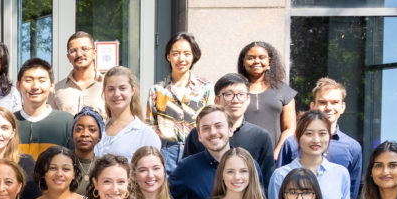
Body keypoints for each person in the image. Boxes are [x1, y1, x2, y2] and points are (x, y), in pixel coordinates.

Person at [267, 110, 350, 199]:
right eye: (309, 133)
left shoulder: (340, 173)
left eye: (322, 133)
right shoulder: (281, 175)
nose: (316, 140)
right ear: (298, 136)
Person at [277, 78, 364, 199]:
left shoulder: (353, 148)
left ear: (343, 107)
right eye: (323, 102)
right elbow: (280, 186)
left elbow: (351, 196)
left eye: (335, 102)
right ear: (313, 106)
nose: (329, 107)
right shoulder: (291, 143)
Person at [183, 73, 276, 185]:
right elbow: (186, 174)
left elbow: (266, 182)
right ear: (216, 100)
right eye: (228, 94)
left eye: (241, 94)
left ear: (248, 99)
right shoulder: (200, 133)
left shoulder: (261, 136)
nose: (235, 100)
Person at [145, 33, 213, 171]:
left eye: (187, 54)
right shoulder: (157, 90)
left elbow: (211, 121)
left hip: (197, 151)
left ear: (193, 56)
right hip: (166, 153)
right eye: (176, 53)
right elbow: (150, 126)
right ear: (168, 56)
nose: (181, 59)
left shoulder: (205, 88)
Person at [170, 105, 235, 199]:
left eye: (218, 126)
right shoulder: (187, 168)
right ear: (199, 136)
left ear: (230, 130)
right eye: (206, 128)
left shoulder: (248, 165)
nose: (213, 132)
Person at [238, 41, 296, 159]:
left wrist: (276, 154)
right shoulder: (235, 88)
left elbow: (290, 128)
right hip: (239, 157)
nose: (256, 61)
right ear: (243, 61)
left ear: (269, 60)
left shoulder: (283, 90)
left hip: (273, 158)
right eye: (251, 58)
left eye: (261, 57)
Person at [94, 66, 160, 160]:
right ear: (104, 92)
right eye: (111, 89)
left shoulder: (145, 135)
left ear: (132, 90)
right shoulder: (98, 131)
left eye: (122, 88)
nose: (116, 94)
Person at [14, 58, 74, 160]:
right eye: (28, 80)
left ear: (52, 86)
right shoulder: (9, 121)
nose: (35, 86)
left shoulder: (67, 122)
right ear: (18, 85)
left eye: (42, 80)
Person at [51, 32, 105, 116]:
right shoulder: (56, 90)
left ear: (94, 53)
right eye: (73, 51)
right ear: (68, 57)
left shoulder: (107, 86)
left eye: (85, 49)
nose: (79, 54)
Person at [72, 107, 104, 194]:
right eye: (79, 129)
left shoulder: (103, 167)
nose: (85, 134)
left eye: (92, 130)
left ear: (99, 136)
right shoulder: (63, 163)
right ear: (72, 134)